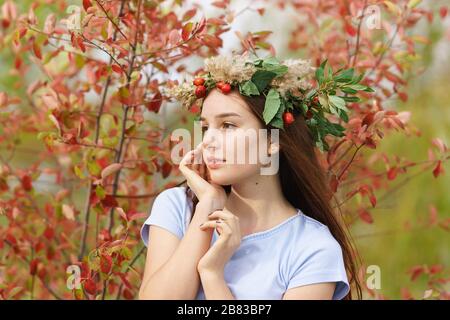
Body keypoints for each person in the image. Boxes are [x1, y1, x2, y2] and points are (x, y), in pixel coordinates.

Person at [138, 53, 362, 300]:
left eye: (228, 126)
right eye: (205, 127)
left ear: (272, 141)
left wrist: (212, 275)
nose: (208, 141)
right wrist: (207, 208)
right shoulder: (179, 208)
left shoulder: (312, 248)